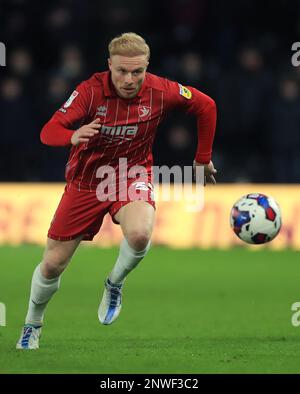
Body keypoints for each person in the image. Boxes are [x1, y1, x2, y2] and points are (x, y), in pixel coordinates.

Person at [16, 32, 217, 349]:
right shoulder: (89, 91)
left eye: (137, 72)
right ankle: (32, 324)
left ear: (146, 67)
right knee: (53, 264)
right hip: (87, 183)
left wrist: (202, 159)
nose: (129, 79)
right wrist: (72, 135)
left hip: (131, 174)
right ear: (109, 65)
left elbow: (206, 106)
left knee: (139, 235)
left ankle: (114, 282)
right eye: (122, 71)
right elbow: (48, 131)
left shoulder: (160, 90)